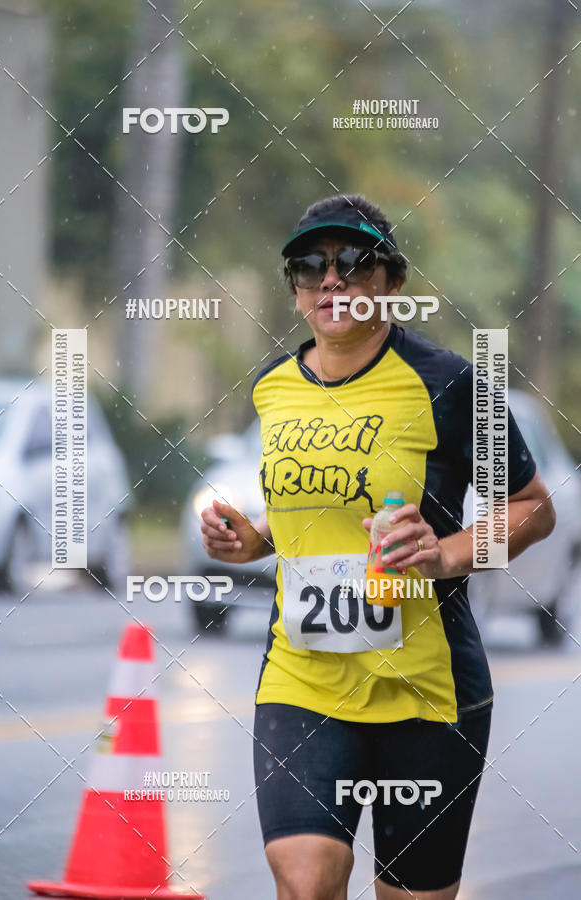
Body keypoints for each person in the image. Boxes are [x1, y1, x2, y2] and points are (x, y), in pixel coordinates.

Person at [200, 194, 556, 900]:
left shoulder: (453, 385)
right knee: (306, 878)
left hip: (426, 690)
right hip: (303, 679)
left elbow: (534, 509)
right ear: (296, 292)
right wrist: (255, 541)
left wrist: (446, 554)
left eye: (353, 263)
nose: (331, 280)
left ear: (391, 282)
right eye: (309, 267)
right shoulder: (273, 388)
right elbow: (314, 514)